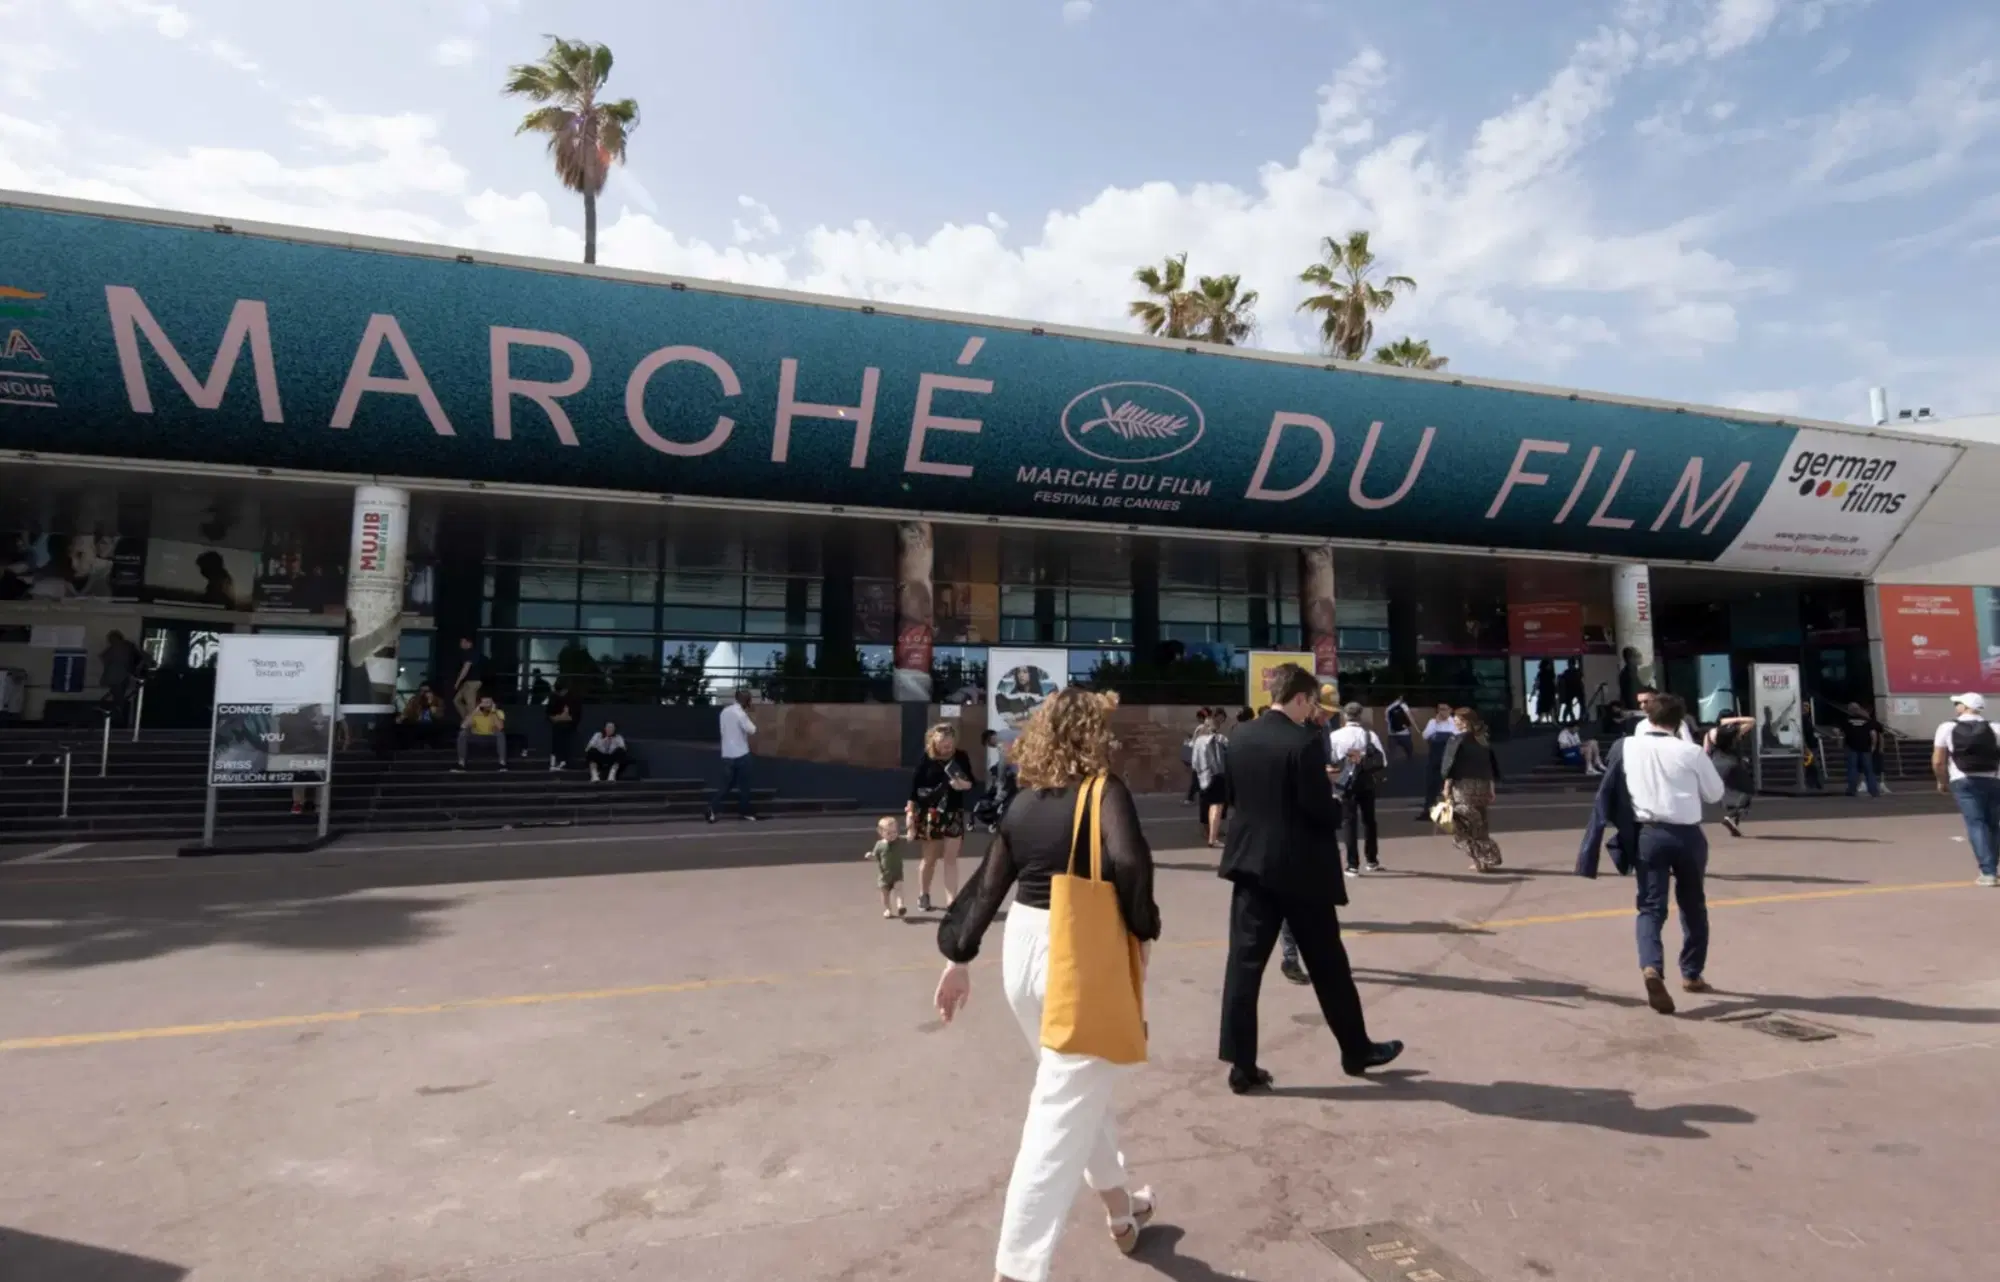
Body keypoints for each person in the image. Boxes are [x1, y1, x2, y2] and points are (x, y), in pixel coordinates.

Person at [933, 687, 1161, 1280]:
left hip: (1024, 954)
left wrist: (957, 958)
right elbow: (1131, 862)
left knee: (1078, 1091)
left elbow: (988, 883)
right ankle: (1016, 1269)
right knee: (1058, 1112)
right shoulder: (1103, 791)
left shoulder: (1025, 803)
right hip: (1078, 955)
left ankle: (1120, 1207)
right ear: (1092, 734)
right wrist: (1144, 929)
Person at [1217, 662, 1403, 1094]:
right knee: (1329, 965)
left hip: (1250, 866)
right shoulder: (1303, 743)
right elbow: (1319, 811)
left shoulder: (1240, 736)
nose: (1311, 712)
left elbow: (1235, 796)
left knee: (1243, 968)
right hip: (1300, 872)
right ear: (1299, 698)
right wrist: (1334, 798)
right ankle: (1355, 1050)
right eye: (1310, 704)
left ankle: (1241, 1065)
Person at [1623, 694, 1726, 1014]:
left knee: (1651, 907)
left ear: (1647, 717)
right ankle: (1692, 973)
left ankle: (1651, 967)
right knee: (1693, 904)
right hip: (1686, 833)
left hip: (1648, 834)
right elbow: (1715, 793)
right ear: (1679, 721)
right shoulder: (1690, 751)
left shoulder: (1627, 747)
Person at [1933, 693, 2000, 887]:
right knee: (1993, 824)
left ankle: (1987, 872)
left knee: (1976, 824)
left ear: (1965, 706)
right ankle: (1991, 868)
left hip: (1963, 779)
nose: (1955, 706)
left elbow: (1938, 760)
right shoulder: (1995, 727)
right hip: (1994, 779)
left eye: (1957, 703)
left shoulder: (1947, 727)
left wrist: (1941, 781)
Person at [908, 722, 976, 912]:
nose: (947, 748)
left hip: (954, 812)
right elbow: (914, 791)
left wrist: (962, 784)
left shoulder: (961, 756)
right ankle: (924, 894)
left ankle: (951, 900)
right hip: (931, 814)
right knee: (929, 859)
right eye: (943, 744)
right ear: (934, 743)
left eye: (949, 743)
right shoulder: (926, 759)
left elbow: (971, 783)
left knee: (950, 858)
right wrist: (910, 815)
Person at [1441, 707, 1503, 872]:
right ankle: (1487, 859)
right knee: (1481, 822)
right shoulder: (1482, 741)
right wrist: (1491, 788)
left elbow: (1450, 767)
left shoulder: (1456, 740)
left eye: (1456, 719)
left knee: (1465, 824)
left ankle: (1478, 861)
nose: (1454, 721)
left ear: (1463, 722)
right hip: (1482, 787)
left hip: (1463, 788)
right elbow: (1490, 767)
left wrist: (1446, 787)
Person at [1329, 699, 1386, 875]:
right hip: (1366, 782)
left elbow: (1330, 760)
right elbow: (1382, 760)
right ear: (1360, 715)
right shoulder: (1370, 735)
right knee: (1369, 821)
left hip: (1345, 782)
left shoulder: (1335, 736)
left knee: (1348, 822)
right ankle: (1372, 860)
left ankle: (1352, 865)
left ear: (1344, 716)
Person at [707, 688, 759, 822]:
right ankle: (745, 811)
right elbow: (752, 730)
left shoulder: (725, 711)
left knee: (726, 786)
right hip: (741, 754)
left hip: (727, 754)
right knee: (745, 786)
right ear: (746, 701)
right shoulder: (741, 714)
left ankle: (712, 809)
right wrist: (749, 715)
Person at [1705, 712, 1757, 837]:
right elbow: (1752, 720)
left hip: (1715, 765)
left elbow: (1705, 751)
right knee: (1747, 790)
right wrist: (1733, 720)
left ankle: (1734, 823)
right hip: (1731, 764)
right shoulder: (1734, 732)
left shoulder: (1709, 733)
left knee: (1729, 792)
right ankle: (1731, 817)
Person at [1192, 709, 1231, 848]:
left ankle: (1208, 832)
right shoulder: (1221, 739)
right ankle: (1213, 838)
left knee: (1205, 805)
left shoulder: (1198, 742)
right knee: (1217, 806)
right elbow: (1228, 756)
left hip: (1202, 776)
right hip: (1217, 776)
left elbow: (1194, 762)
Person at [1417, 700, 1457, 820]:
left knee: (1449, 787)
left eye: (1445, 709)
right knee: (1431, 785)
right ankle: (1428, 811)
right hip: (1434, 758)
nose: (1442, 712)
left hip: (1449, 760)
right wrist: (1436, 725)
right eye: (1439, 709)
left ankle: (1450, 813)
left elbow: (1459, 736)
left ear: (1450, 710)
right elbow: (1425, 736)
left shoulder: (1454, 722)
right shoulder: (1433, 722)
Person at [98, 629, 145, 728]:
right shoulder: (128, 646)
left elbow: (104, 658)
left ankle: (117, 719)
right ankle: (118, 718)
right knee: (118, 697)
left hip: (117, 677)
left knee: (118, 698)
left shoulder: (117, 648)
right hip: (123, 676)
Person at [865, 816, 907, 919]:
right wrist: (871, 856)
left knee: (899, 889)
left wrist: (911, 830)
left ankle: (900, 905)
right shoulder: (879, 845)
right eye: (889, 833)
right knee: (885, 894)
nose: (892, 835)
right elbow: (876, 857)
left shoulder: (898, 840)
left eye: (894, 832)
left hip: (897, 873)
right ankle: (887, 909)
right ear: (881, 832)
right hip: (884, 875)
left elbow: (909, 837)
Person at [454, 695, 507, 772]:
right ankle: (461, 763)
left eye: (489, 702)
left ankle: (502, 763)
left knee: (501, 734)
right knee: (462, 733)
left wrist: (493, 712)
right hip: (476, 736)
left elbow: (500, 727)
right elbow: (463, 726)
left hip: (491, 736)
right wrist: (475, 711)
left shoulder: (498, 712)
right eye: (484, 702)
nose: (486, 705)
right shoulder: (475, 713)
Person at [1840, 702, 1882, 797]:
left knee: (1853, 769)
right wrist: (1873, 746)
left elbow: (1842, 734)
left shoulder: (1847, 721)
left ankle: (1851, 790)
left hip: (1852, 748)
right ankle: (1873, 790)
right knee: (1869, 770)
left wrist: (1842, 745)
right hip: (1865, 748)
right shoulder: (1867, 721)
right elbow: (1873, 734)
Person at [1632, 687, 1697, 743]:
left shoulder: (1677, 722)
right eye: (1640, 703)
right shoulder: (1641, 726)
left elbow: (1688, 745)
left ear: (1657, 700)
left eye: (1646, 702)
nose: (1642, 706)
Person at [397, 684, 448, 749]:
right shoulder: (415, 700)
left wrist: (431, 704)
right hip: (417, 725)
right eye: (422, 691)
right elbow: (407, 711)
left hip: (433, 726)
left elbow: (440, 716)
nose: (424, 693)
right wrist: (401, 717)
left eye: (427, 691)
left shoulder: (438, 700)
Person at [546, 679, 580, 771]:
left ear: (565, 690)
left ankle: (562, 760)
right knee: (557, 730)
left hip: (570, 724)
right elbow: (549, 714)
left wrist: (562, 717)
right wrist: (559, 717)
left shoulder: (573, 698)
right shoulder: (554, 697)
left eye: (561, 692)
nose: (559, 694)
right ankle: (555, 760)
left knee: (562, 730)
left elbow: (573, 717)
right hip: (557, 723)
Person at [451, 637, 484, 722]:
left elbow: (465, 669)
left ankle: (473, 724)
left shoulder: (471, 653)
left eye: (462, 642)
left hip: (473, 682)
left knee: (470, 705)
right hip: (468, 682)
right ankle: (467, 720)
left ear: (469, 643)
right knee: (456, 700)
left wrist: (457, 682)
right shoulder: (467, 653)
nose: (461, 644)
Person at [1182, 708, 1210, 806]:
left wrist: (1189, 741)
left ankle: (1190, 798)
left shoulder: (1201, 728)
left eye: (1199, 718)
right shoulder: (1206, 727)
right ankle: (1193, 797)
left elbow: (1197, 742)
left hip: (1199, 757)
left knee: (1196, 778)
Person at [1383, 694, 1414, 760]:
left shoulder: (1388, 708)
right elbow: (1410, 718)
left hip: (1392, 734)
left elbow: (1387, 721)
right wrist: (1411, 726)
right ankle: (1409, 764)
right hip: (1404, 733)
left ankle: (1392, 767)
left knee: (1391, 754)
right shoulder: (1403, 706)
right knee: (1409, 751)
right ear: (1400, 698)